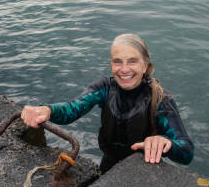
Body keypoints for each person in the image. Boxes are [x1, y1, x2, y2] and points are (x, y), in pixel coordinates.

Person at [21, 33, 194, 174]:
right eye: (118, 61)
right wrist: (47, 110)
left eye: (132, 61)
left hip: (146, 171)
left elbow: (186, 151)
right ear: (111, 65)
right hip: (109, 164)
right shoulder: (104, 88)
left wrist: (165, 142)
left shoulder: (160, 99)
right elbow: (72, 109)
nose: (124, 69)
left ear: (145, 66)